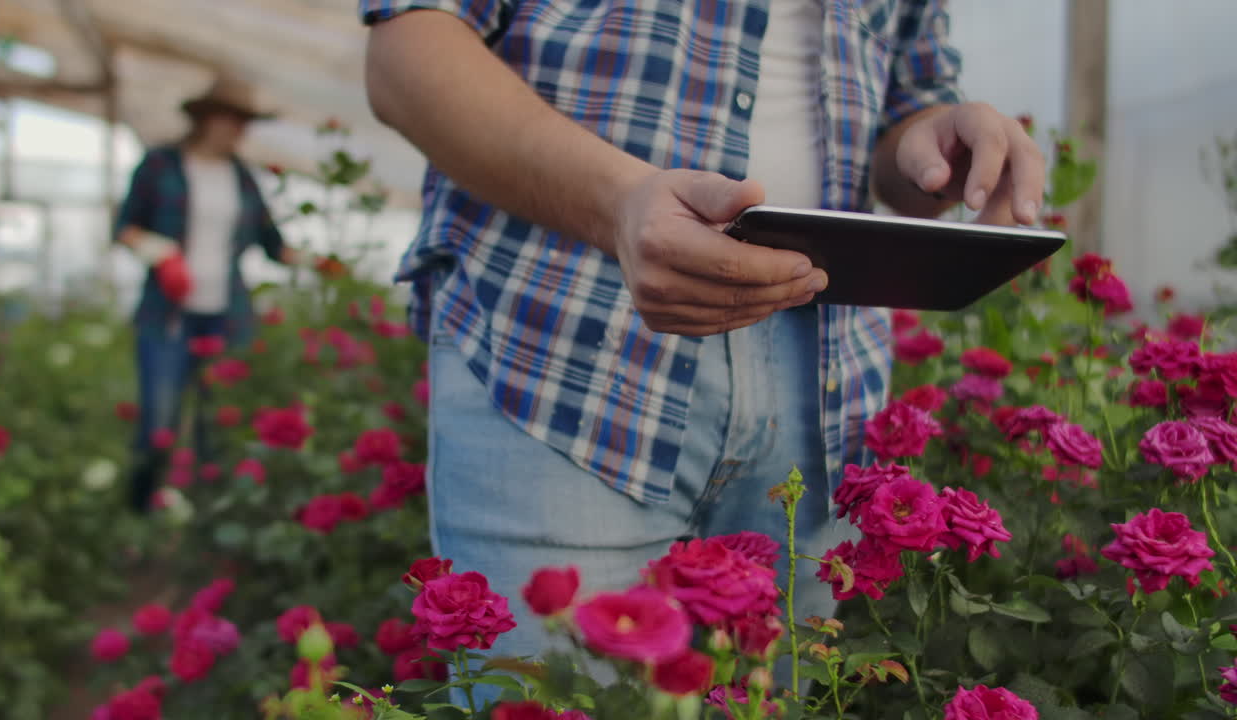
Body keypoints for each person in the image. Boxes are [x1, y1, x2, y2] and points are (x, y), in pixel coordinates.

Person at [360, 0, 1042, 670]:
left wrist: (938, 143)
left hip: (822, 380)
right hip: (564, 349)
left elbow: (904, 114)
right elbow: (409, 48)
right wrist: (618, 206)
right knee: (558, 703)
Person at [115, 75, 342, 513]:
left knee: (220, 423)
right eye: (233, 120)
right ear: (206, 119)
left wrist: (321, 262)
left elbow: (273, 245)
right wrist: (161, 254)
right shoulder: (161, 165)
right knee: (159, 421)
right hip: (168, 314)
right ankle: (139, 514)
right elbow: (125, 227)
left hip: (227, 316)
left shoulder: (241, 176)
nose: (240, 130)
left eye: (244, 122)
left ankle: (208, 515)